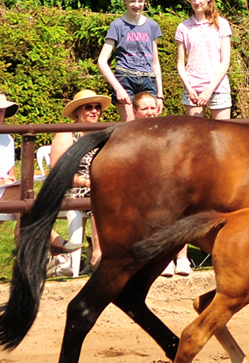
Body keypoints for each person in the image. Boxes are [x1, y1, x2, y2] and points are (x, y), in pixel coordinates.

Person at [0, 91, 81, 255]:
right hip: (5, 191)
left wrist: (10, 179)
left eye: (2, 111)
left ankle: (26, 261)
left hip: (6, 191)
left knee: (25, 209)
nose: (0, 114)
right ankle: (52, 238)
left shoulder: (7, 137)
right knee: (26, 200)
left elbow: (11, 171)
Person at [131, 92, 193, 277]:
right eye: (144, 109)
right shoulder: (131, 134)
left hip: (169, 182)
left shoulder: (168, 130)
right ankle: (161, 260)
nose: (150, 113)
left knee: (182, 205)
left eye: (152, 108)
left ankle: (182, 258)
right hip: (144, 185)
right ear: (135, 112)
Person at [51, 89, 112, 276]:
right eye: (88, 107)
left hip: (100, 185)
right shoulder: (66, 134)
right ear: (77, 111)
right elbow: (57, 172)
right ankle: (97, 255)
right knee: (99, 195)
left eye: (98, 107)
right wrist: (87, 182)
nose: (94, 111)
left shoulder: (104, 133)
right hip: (73, 187)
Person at [97, 0, 164, 122]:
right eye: (132, 1)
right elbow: (101, 61)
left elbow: (155, 62)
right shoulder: (117, 25)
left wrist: (160, 95)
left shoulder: (152, 26)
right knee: (130, 128)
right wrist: (118, 89)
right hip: (125, 79)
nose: (137, 5)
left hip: (148, 80)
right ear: (125, 2)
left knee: (151, 127)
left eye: (140, 1)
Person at [175, 0, 232, 119]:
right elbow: (180, 63)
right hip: (193, 90)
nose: (196, 2)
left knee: (222, 134)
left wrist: (209, 90)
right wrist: (189, 89)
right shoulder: (183, 27)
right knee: (195, 136)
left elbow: (225, 61)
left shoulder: (222, 24)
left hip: (218, 88)